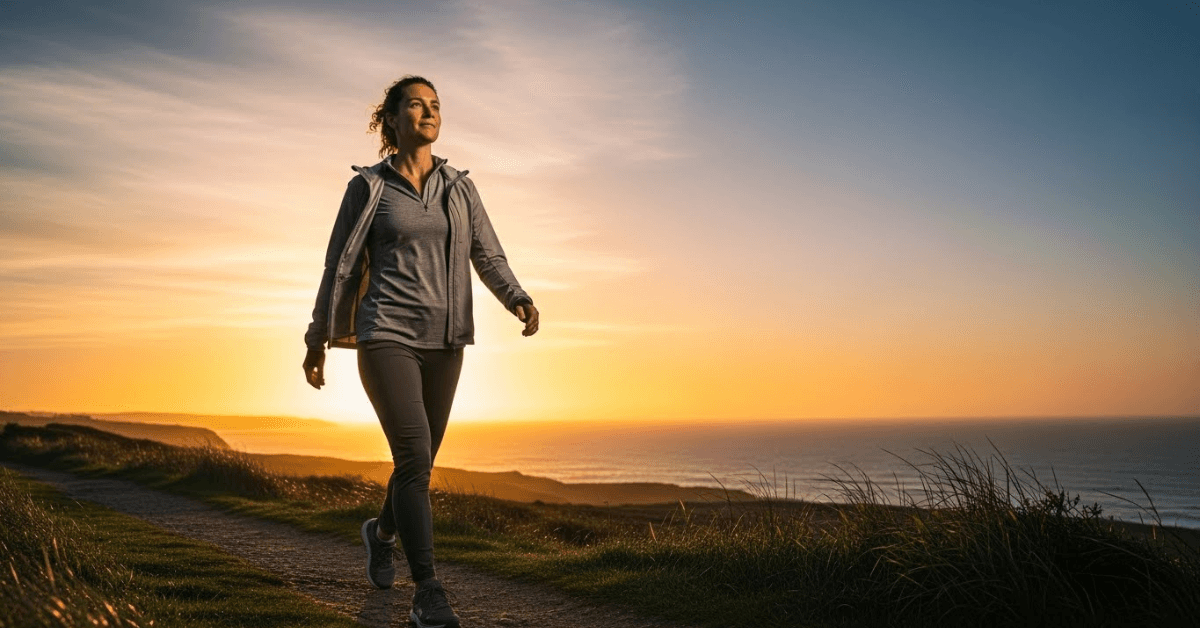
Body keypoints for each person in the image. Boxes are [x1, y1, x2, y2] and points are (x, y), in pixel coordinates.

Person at [302, 75, 538, 628]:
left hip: (446, 341)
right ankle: (427, 589)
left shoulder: (459, 188)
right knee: (413, 457)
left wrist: (518, 299)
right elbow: (336, 266)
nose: (429, 112)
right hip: (384, 335)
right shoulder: (369, 189)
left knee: (419, 461)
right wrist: (317, 339)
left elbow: (489, 254)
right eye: (417, 104)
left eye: (435, 105)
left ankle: (380, 533)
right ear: (391, 120)